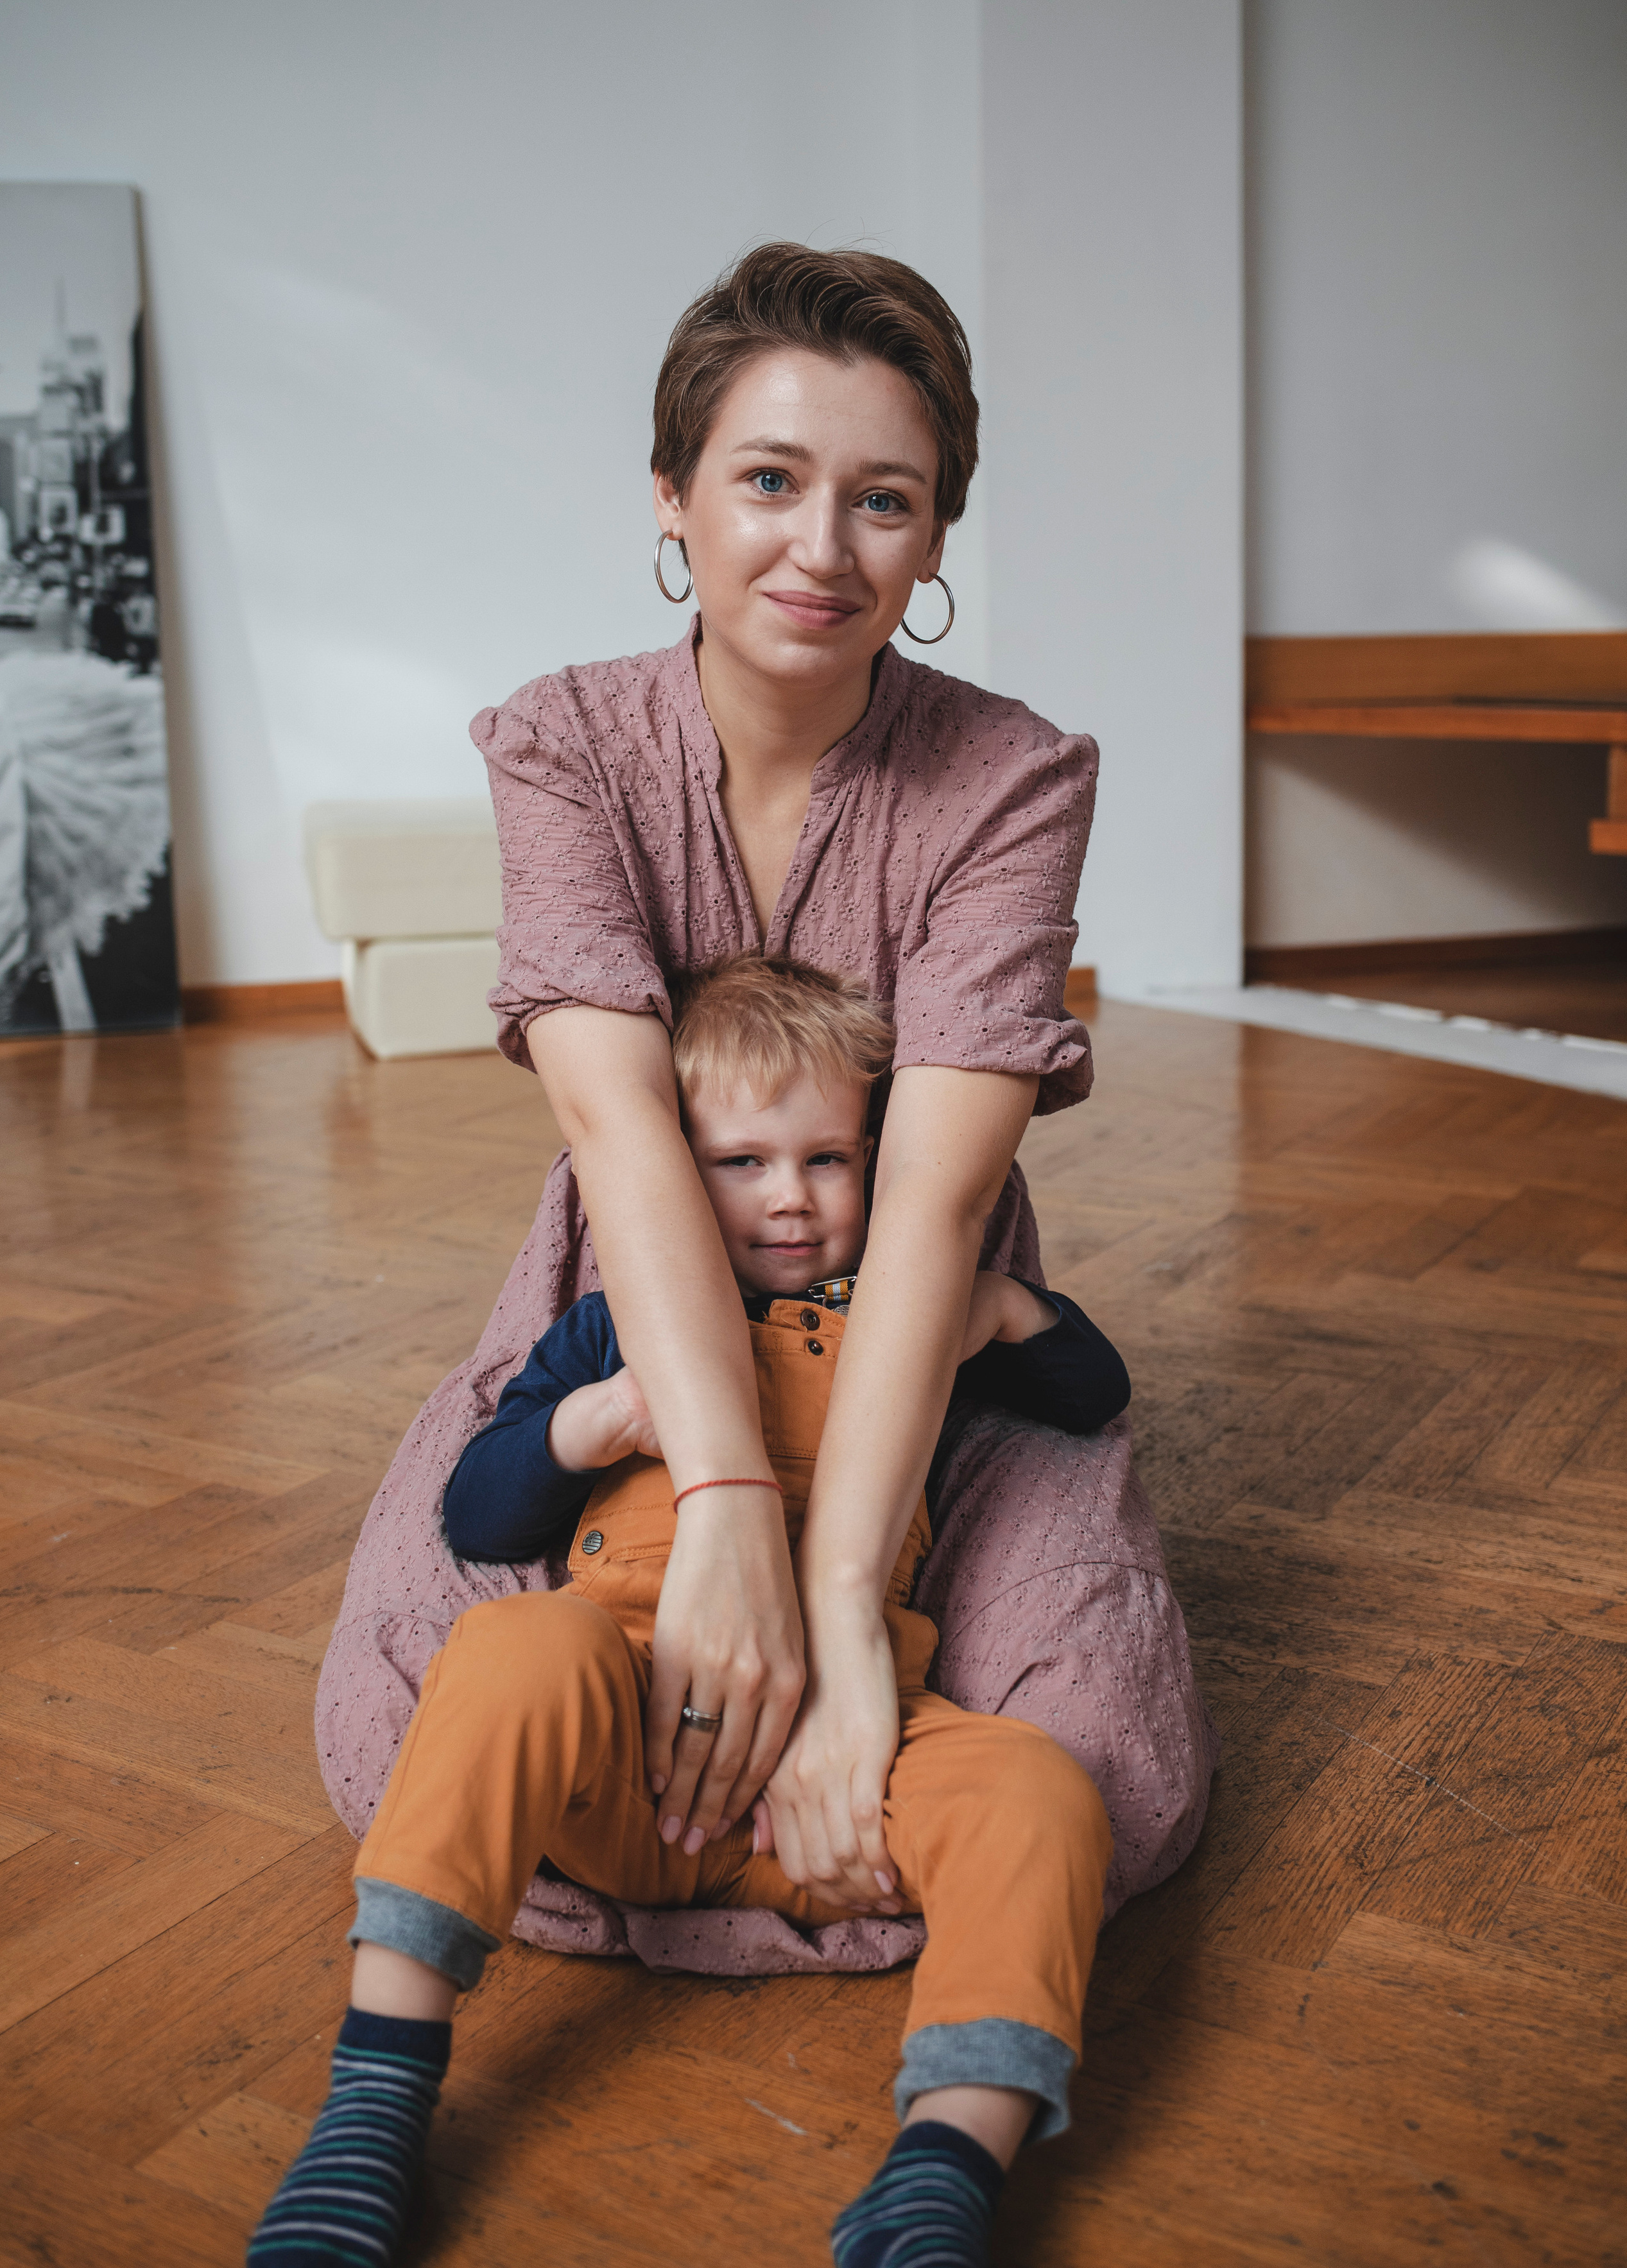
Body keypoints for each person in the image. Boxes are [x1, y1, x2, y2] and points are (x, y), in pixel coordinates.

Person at [316, 241, 1214, 2000]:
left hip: (918, 1329)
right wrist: (724, 1497)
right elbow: (621, 1125)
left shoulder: (1019, 775)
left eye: (887, 499)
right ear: (672, 495)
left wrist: (841, 1604)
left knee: (1111, 1756)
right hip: (638, 1297)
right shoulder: (566, 740)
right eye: (769, 481)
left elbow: (939, 1208)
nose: (823, 549)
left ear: (941, 534)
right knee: (418, 1693)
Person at [253, 954, 1125, 2268]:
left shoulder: (903, 1319)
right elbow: (476, 1519)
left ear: (878, 1162)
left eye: (828, 1160)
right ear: (670, 1170)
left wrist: (997, 1308)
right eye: (740, 1163)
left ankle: (945, 2166)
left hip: (839, 1778)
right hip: (624, 1748)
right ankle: (376, 2097)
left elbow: (1090, 1396)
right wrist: (587, 1424)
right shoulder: (613, 1329)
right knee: (510, 1648)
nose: (788, 1198)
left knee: (1039, 1790)